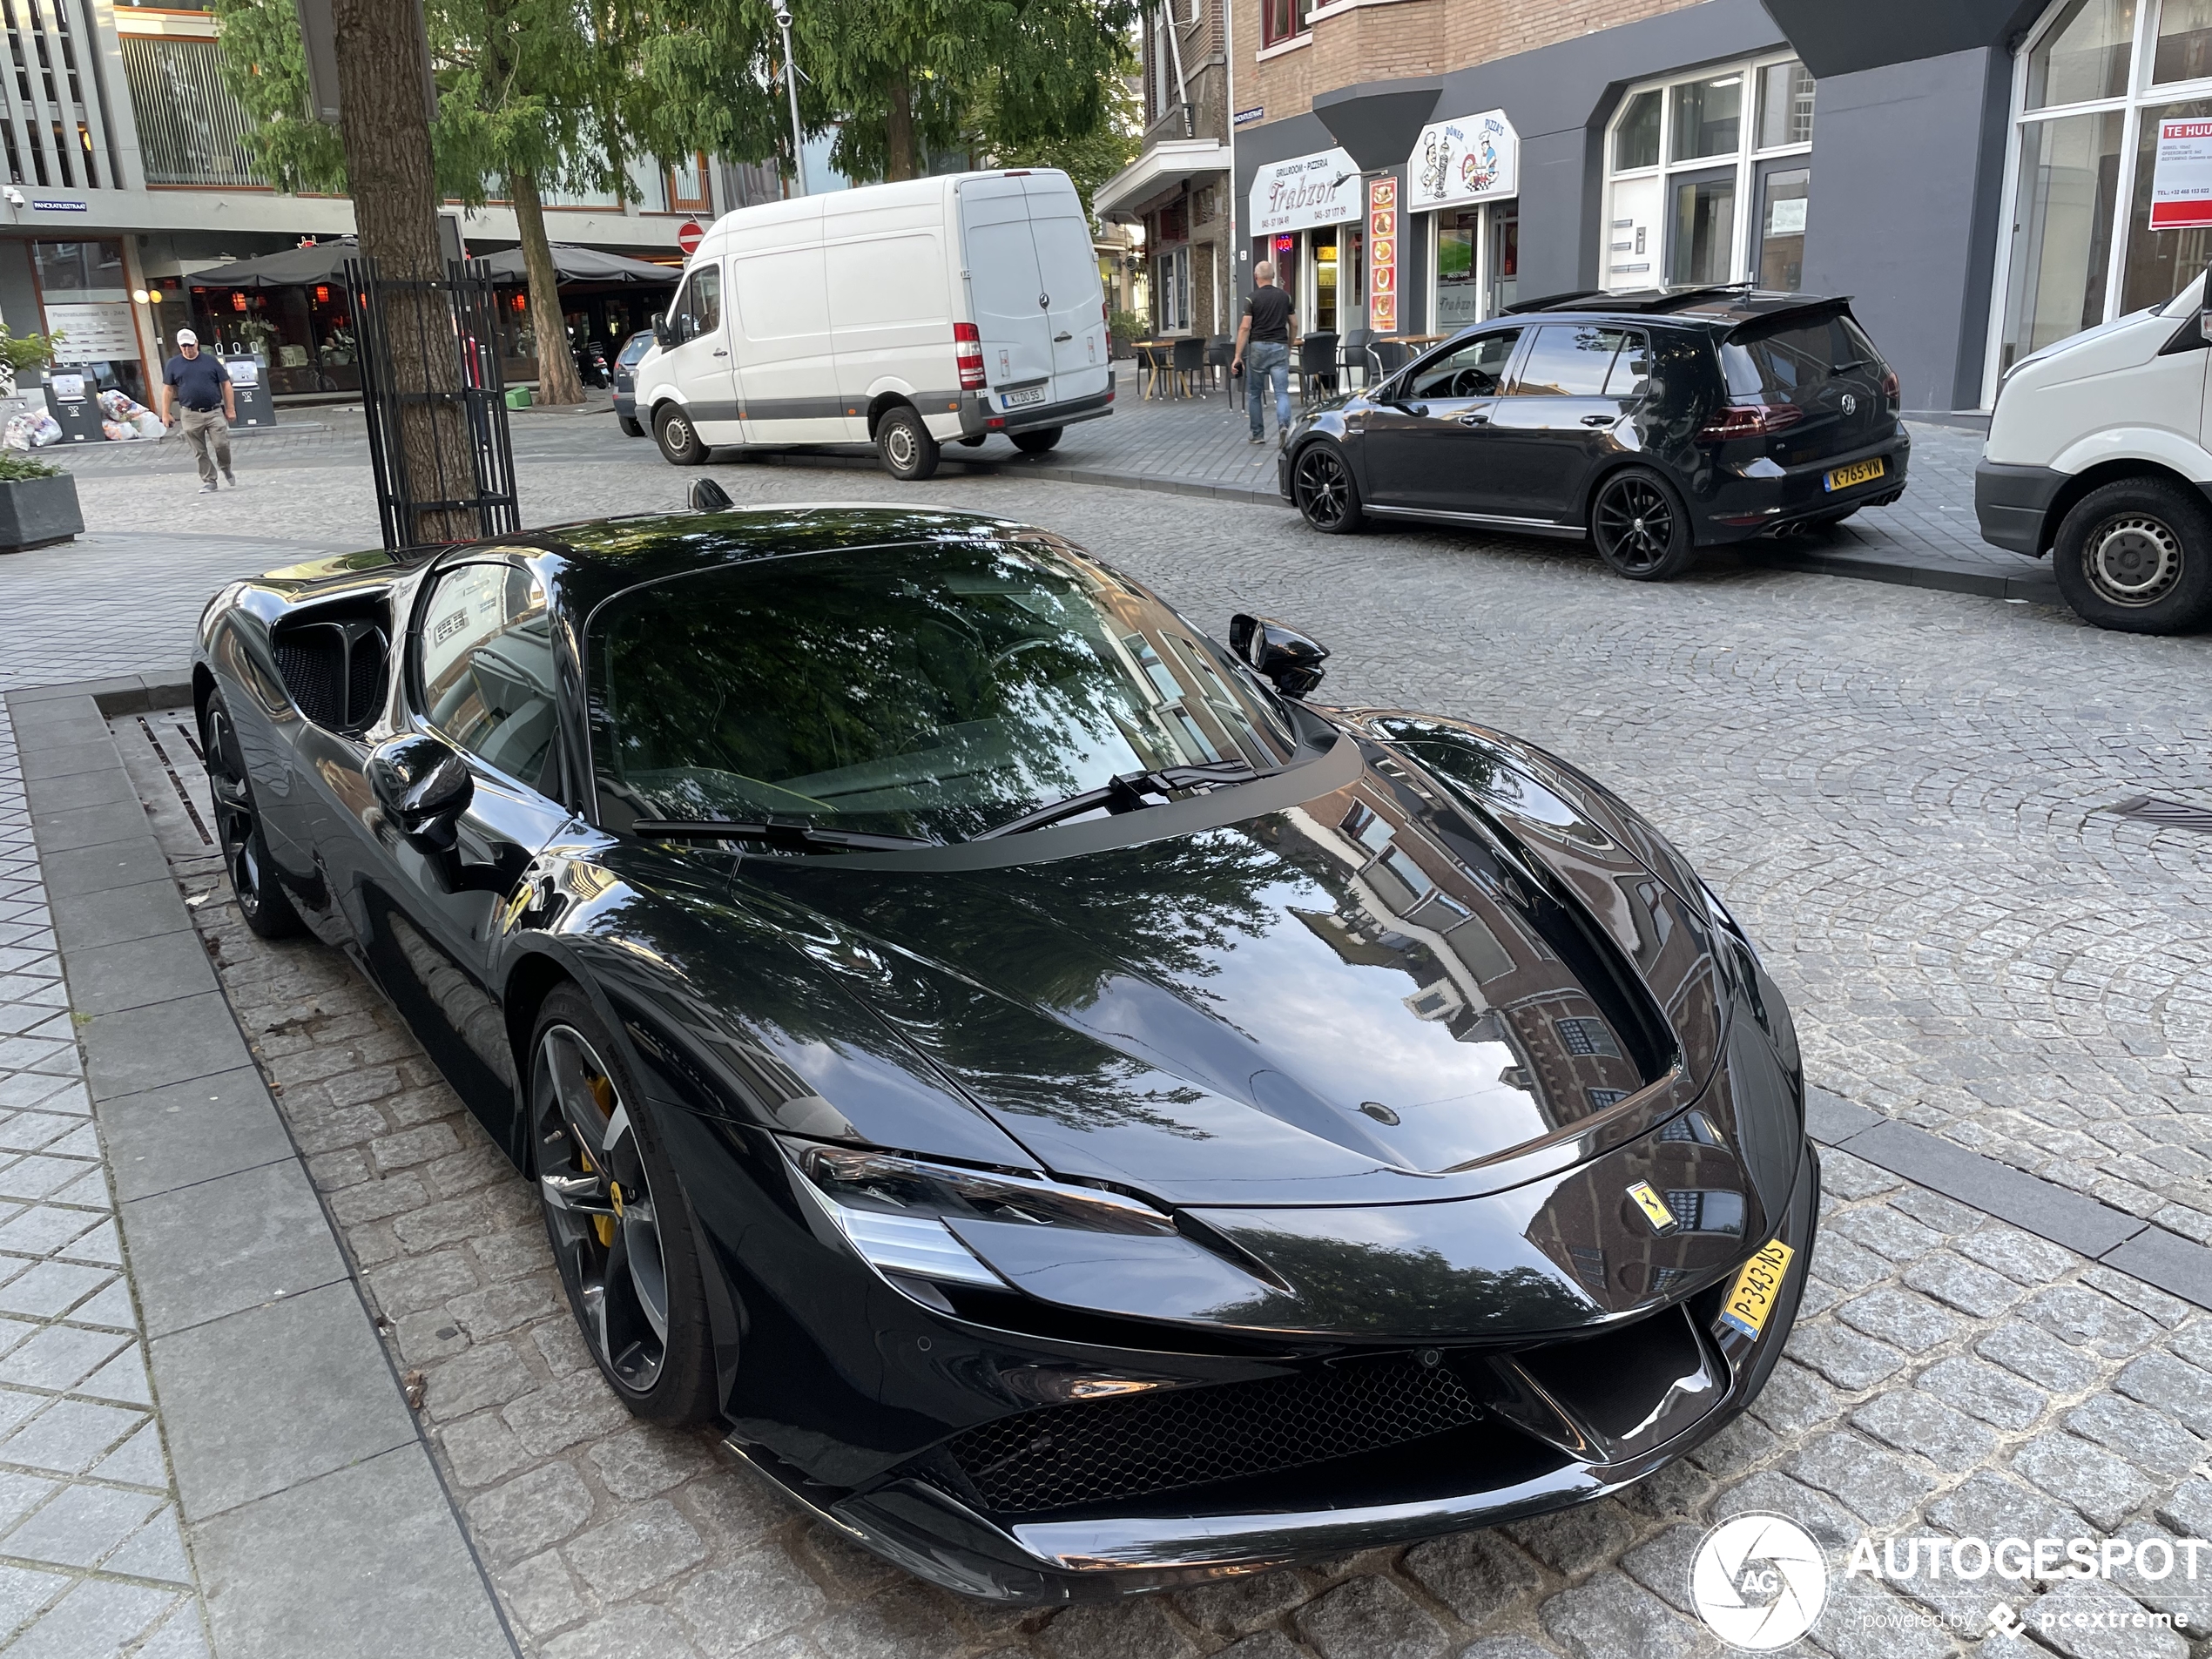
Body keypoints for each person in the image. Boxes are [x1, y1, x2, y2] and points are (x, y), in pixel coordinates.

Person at [160, 329, 237, 494]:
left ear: (197, 343)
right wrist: (165, 413)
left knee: (221, 444)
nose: (188, 349)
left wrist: (230, 408)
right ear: (180, 346)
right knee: (199, 450)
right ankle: (209, 480)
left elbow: (226, 384)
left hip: (214, 410)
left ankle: (225, 466)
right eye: (184, 346)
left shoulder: (210, 361)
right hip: (189, 413)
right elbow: (168, 389)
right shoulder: (173, 364)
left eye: (190, 345)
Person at [1231, 261, 1298, 446]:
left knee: (1255, 393)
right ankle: (1284, 426)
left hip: (1258, 349)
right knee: (1281, 392)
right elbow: (1294, 324)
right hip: (1279, 347)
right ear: (1274, 276)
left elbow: (1245, 327)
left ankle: (1257, 434)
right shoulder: (1285, 297)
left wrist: (1237, 356)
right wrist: (1289, 344)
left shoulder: (1252, 299)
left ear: (1256, 277)